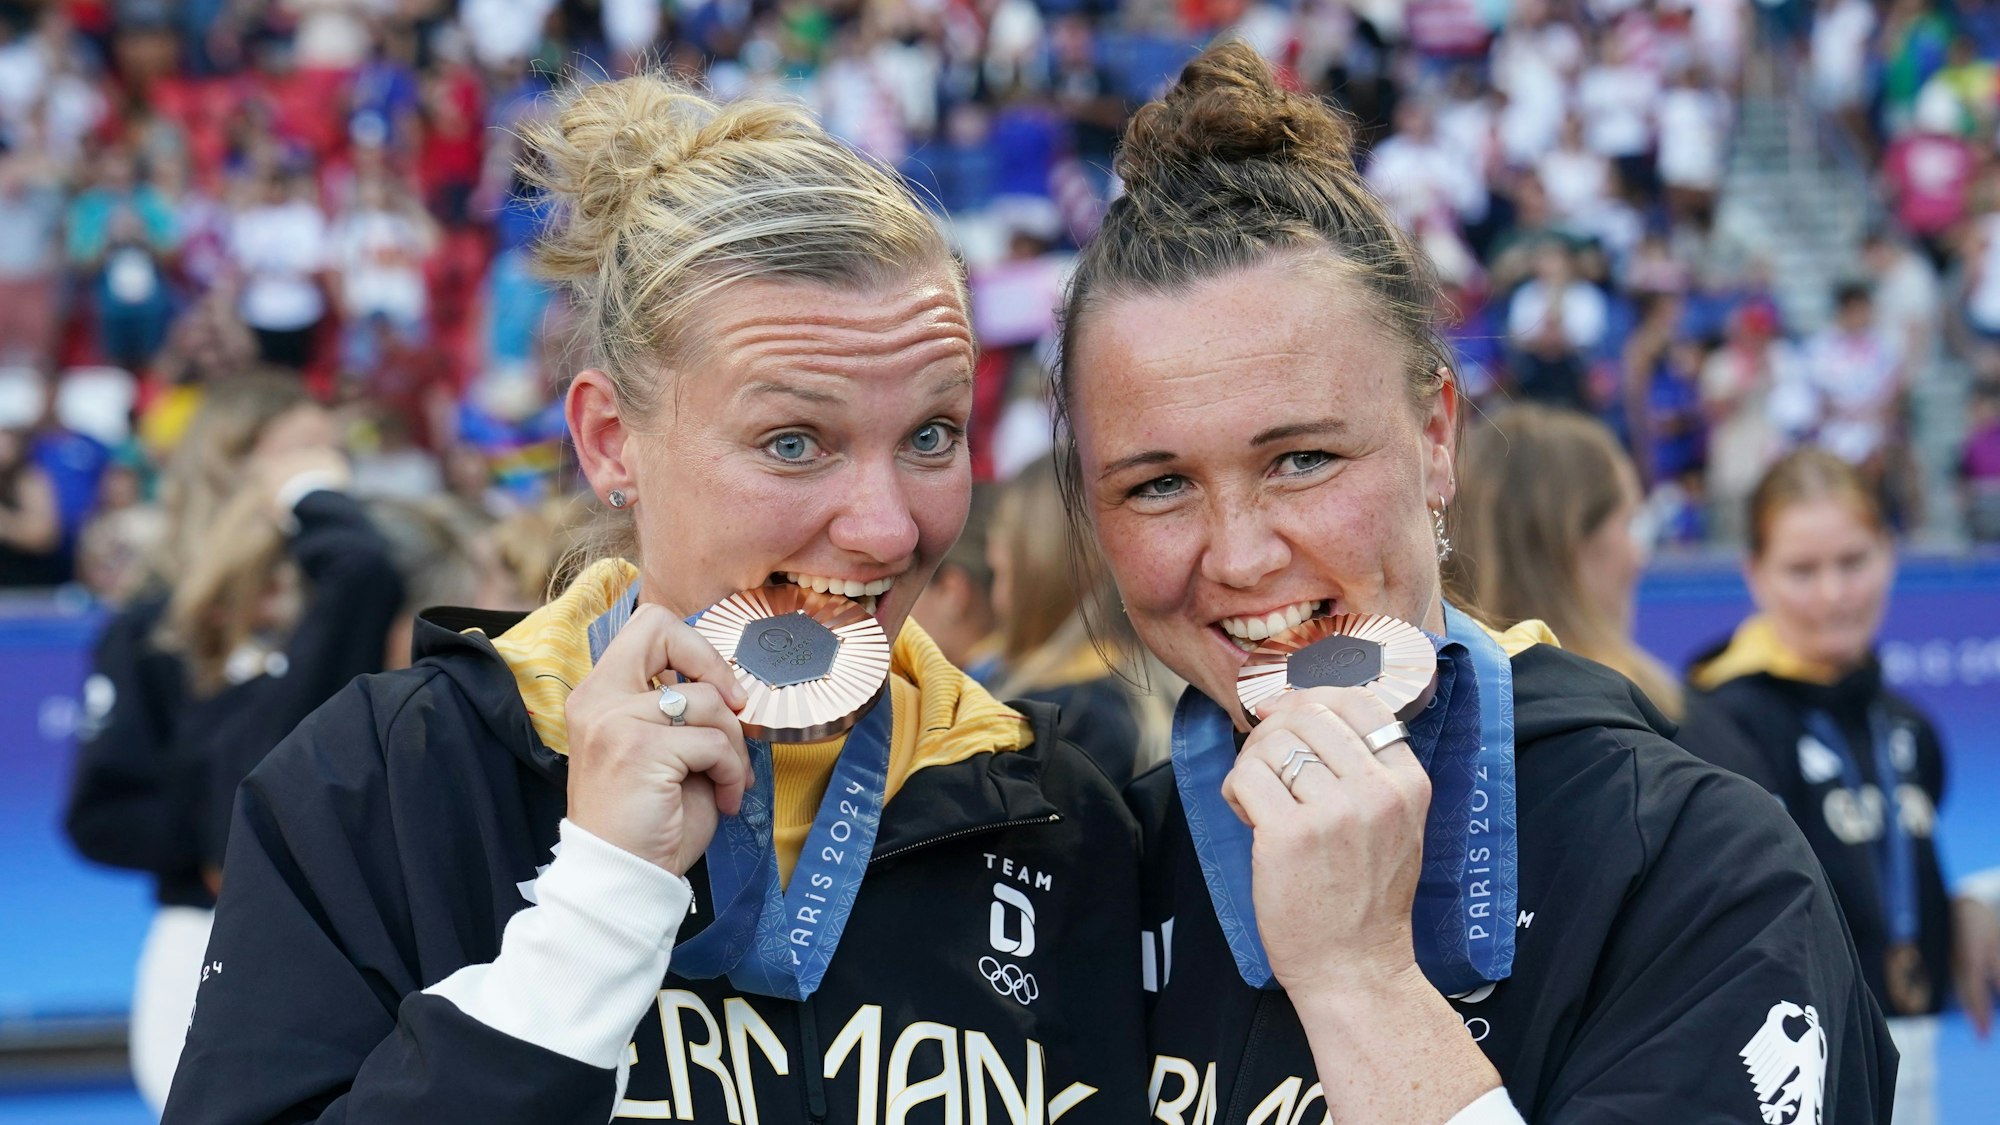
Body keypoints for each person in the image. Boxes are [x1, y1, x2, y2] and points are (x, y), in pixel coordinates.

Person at [163, 75, 1146, 1123]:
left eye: (930, 437)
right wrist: (594, 909)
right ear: (607, 441)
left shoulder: (1059, 809)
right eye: (792, 442)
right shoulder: (383, 781)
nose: (889, 528)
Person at [1051, 41, 1892, 1123]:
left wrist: (1363, 982)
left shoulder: (1697, 871)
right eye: (1158, 484)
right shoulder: (1084, 878)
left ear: (1434, 436)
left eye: (1301, 459)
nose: (1241, 555)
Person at [64, 372, 404, 1114]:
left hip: (363, 930)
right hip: (209, 930)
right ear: (234, 463)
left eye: (329, 450)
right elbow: (102, 813)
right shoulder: (156, 627)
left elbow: (365, 571)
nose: (329, 469)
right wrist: (226, 844)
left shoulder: (358, 584)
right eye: (304, 452)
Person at [1690, 448, 2000, 1125]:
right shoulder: (1714, 723)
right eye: (1802, 570)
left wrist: (1966, 905)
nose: (1834, 593)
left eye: (1853, 561)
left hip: (1914, 1064)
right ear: (1755, 573)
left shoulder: (1908, 726)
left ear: (1889, 554)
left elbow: (1863, 883)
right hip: (1792, 1080)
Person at [1448, 404, 1757, 761]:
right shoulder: (1657, 732)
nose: (1638, 556)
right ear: (1572, 545)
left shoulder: (1428, 724)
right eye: (1628, 524)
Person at [987, 455, 1169, 784]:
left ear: (1037, 575)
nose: (995, 598)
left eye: (999, 572)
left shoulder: (1050, 725)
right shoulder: (1156, 697)